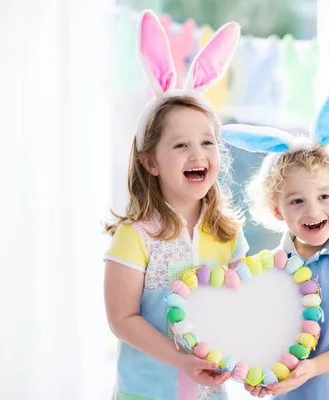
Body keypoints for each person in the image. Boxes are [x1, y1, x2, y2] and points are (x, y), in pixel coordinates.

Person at [103, 11, 247, 400]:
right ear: (150, 162)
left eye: (207, 142)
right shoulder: (134, 237)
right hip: (147, 392)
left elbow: (241, 309)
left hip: (209, 392)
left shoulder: (229, 234)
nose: (197, 153)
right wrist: (180, 359)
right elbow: (122, 318)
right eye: (180, 144)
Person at [221, 76, 329, 400]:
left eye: (324, 196)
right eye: (297, 201)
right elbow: (266, 336)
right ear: (277, 211)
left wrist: (314, 368)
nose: (313, 211)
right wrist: (260, 374)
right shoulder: (272, 267)